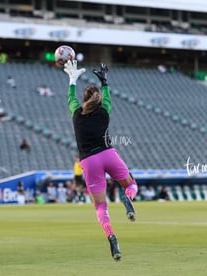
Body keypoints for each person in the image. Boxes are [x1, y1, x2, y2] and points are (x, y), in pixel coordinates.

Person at [64, 60, 138, 261]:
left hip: (89, 162)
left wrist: (72, 79)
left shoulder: (77, 115)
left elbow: (70, 99)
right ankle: (126, 197)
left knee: (100, 207)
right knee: (131, 184)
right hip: (108, 154)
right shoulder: (105, 111)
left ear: (84, 99)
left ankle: (112, 237)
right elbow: (107, 98)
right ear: (97, 98)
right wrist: (104, 81)